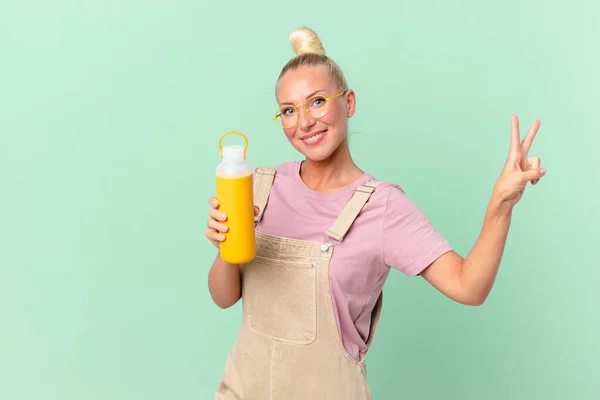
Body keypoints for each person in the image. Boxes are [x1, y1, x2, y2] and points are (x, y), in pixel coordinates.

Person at [206, 27, 546, 400]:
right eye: (289, 110)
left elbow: (469, 286)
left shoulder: (381, 207)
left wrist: (500, 205)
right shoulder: (257, 185)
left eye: (317, 102)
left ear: (348, 102)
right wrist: (226, 245)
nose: (304, 122)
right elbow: (225, 297)